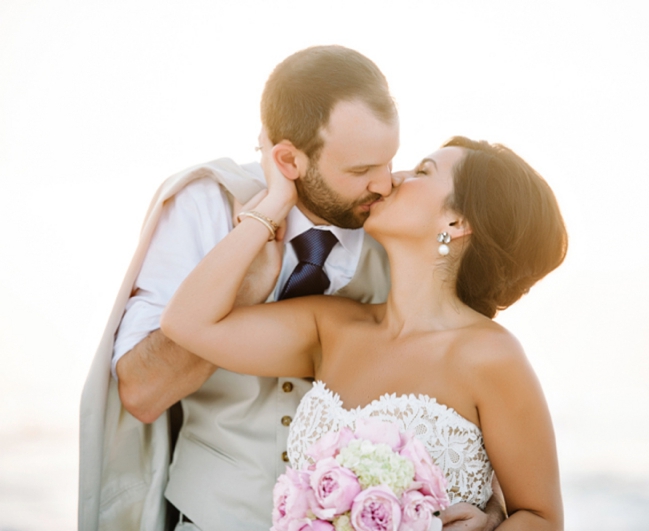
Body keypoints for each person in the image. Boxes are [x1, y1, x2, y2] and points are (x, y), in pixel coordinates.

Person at [79, 45, 504, 531]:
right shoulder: (205, 206)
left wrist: (493, 506)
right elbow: (141, 391)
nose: (385, 184)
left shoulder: (399, 228)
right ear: (288, 159)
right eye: (361, 171)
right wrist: (249, 280)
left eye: (389, 161)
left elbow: (460, 372)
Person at [160, 136, 568, 529]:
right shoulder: (331, 327)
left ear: (456, 221)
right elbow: (187, 323)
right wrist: (273, 206)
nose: (394, 177)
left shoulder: (491, 356)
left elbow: (541, 518)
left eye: (423, 171)